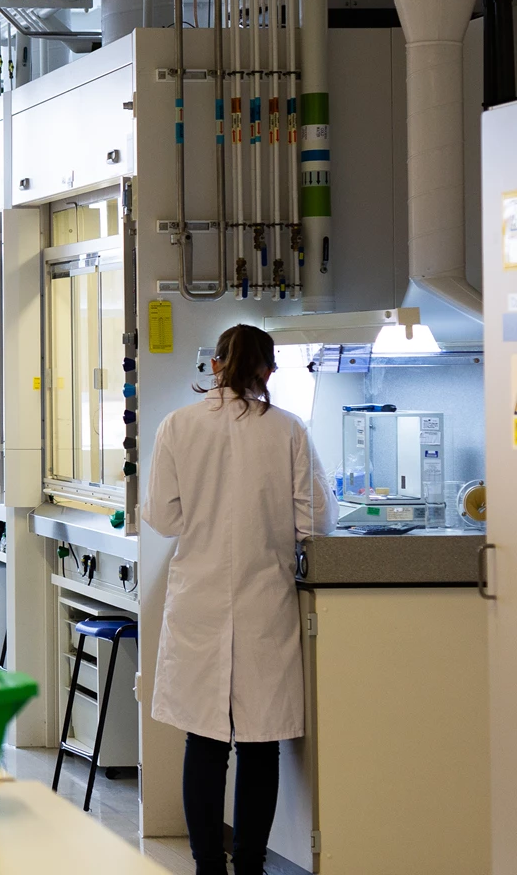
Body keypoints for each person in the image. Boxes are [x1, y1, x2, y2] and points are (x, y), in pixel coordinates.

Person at [142, 323, 333, 875]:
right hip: (263, 603)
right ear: (268, 372)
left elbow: (164, 515)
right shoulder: (289, 431)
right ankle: (250, 865)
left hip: (199, 602)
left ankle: (207, 866)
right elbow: (314, 519)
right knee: (259, 744)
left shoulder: (177, 426)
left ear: (217, 365)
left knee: (203, 743)